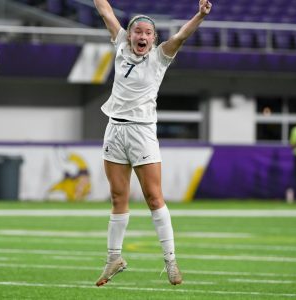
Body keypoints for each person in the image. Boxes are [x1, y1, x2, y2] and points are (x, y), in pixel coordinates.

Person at [92, 0, 212, 287]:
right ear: (129, 35)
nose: (142, 36)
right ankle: (113, 259)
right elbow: (105, 10)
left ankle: (170, 260)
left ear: (153, 38)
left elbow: (181, 36)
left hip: (142, 132)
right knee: (118, 198)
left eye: (147, 32)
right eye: (137, 32)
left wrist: (200, 15)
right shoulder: (120, 43)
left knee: (154, 197)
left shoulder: (160, 56)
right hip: (114, 130)